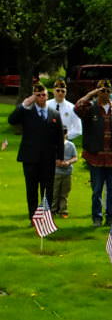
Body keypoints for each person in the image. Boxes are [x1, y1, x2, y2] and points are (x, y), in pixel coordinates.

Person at [74, 79, 112, 226]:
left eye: (107, 90)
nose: (105, 93)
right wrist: (91, 94)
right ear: (97, 91)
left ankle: (111, 218)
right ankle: (97, 218)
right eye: (102, 90)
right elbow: (77, 108)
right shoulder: (90, 107)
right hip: (96, 157)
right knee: (97, 190)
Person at [7, 83, 64, 220]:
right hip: (30, 158)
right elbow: (11, 120)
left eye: (43, 94)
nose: (41, 98)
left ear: (47, 95)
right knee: (31, 189)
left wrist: (59, 157)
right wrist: (24, 104)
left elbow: (59, 137)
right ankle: (33, 216)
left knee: (47, 189)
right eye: (37, 95)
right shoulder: (26, 111)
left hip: (48, 158)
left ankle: (46, 216)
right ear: (33, 96)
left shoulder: (54, 114)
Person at [51, 127, 78, 218]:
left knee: (64, 192)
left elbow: (75, 157)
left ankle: (63, 210)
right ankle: (53, 210)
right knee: (55, 192)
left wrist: (68, 162)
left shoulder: (71, 145)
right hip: (56, 172)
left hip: (67, 172)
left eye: (64, 134)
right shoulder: (53, 145)